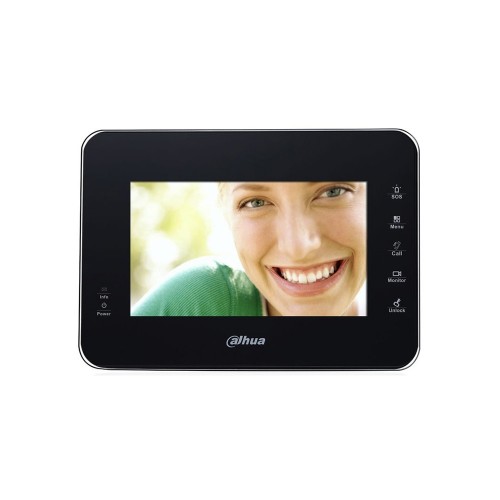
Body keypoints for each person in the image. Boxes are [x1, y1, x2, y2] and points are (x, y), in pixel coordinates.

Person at [131, 182, 366, 316]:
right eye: (256, 202)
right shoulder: (204, 301)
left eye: (333, 191)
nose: (297, 248)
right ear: (227, 216)